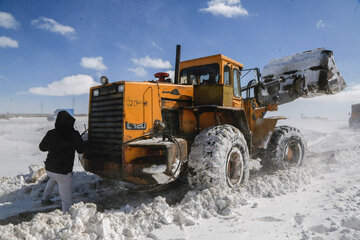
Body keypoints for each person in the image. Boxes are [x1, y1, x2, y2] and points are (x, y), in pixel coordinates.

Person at [39, 110, 84, 212]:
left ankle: (44, 199)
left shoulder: (51, 133)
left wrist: (53, 144)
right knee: (66, 200)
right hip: (63, 172)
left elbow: (42, 147)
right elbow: (81, 150)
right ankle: (66, 216)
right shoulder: (74, 134)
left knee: (53, 178)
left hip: (50, 169)